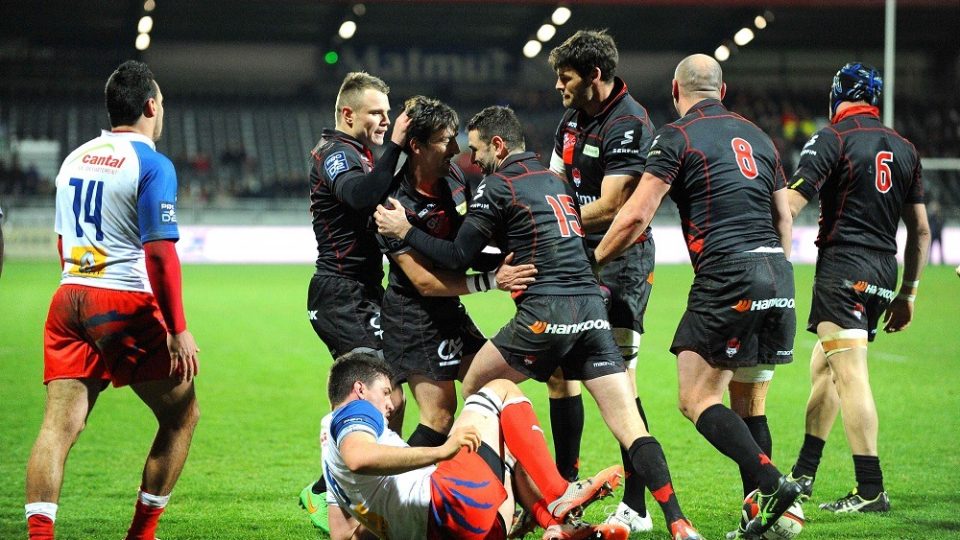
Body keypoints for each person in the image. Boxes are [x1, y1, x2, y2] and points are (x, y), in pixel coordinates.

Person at [375, 105, 702, 540]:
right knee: (630, 425)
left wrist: (404, 230)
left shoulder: (497, 184)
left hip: (545, 312)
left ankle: (516, 501)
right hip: (590, 308)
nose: (469, 159)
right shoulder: (557, 181)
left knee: (480, 392)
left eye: (475, 149)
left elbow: (457, 255)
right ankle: (679, 522)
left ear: (498, 145)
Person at [594, 54, 802, 538]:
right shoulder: (759, 135)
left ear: (675, 90)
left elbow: (634, 217)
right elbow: (784, 219)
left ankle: (773, 483)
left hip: (728, 274)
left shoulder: (676, 136)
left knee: (695, 397)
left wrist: (592, 263)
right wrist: (776, 275)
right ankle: (767, 521)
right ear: (722, 90)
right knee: (750, 404)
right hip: (779, 272)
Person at [24, 60, 200, 540]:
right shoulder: (151, 162)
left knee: (57, 429)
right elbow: (161, 254)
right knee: (182, 415)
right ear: (149, 105)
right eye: (160, 103)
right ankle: (141, 535)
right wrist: (177, 328)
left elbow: (62, 243)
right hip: (119, 301)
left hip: (68, 295)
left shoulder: (75, 157)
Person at [785, 62, 930, 513]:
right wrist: (908, 293)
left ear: (838, 94)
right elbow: (921, 231)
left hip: (844, 265)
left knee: (849, 375)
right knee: (826, 368)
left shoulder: (833, 137)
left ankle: (871, 489)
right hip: (884, 271)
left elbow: (788, 205)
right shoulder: (905, 148)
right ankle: (804, 475)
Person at [323, 351, 628, 540]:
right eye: (385, 392)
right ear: (360, 389)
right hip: (450, 505)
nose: (389, 404)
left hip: (471, 529)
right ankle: (558, 494)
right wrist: (442, 451)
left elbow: (344, 535)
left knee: (507, 440)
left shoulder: (327, 451)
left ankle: (554, 525)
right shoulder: (356, 411)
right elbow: (359, 457)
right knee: (500, 389)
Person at [546, 29, 657, 532]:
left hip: (620, 264)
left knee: (618, 383)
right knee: (558, 371)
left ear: (594, 75)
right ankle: (562, 485)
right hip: (573, 257)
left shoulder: (630, 122)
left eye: (565, 77)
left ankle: (638, 505)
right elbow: (552, 182)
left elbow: (614, 205)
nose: (558, 87)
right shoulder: (571, 120)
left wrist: (551, 218)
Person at [376, 95, 536, 447]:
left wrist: (506, 257)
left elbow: (461, 247)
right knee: (440, 415)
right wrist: (493, 279)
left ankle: (502, 489)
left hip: (449, 311)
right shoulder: (393, 205)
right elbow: (424, 282)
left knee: (492, 389)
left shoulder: (454, 177)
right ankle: (392, 491)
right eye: (444, 141)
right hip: (412, 317)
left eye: (454, 138)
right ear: (416, 146)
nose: (454, 149)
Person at [300, 71, 411, 530]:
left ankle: (342, 488)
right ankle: (333, 497)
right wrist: (399, 147)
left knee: (393, 397)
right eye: (376, 113)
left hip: (363, 291)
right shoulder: (335, 153)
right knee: (379, 395)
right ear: (348, 114)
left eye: (388, 113)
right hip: (340, 292)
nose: (385, 120)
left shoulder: (360, 154)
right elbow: (361, 194)